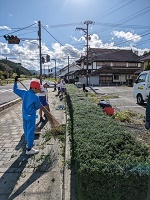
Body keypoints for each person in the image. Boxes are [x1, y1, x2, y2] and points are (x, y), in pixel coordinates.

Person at [13, 77, 41, 155]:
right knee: (31, 131)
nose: (38, 91)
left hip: (24, 114)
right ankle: (29, 149)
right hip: (31, 116)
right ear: (33, 88)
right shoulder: (35, 97)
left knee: (26, 129)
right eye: (37, 89)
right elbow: (38, 106)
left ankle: (28, 142)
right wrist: (35, 106)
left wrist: (15, 82)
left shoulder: (24, 93)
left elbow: (15, 90)